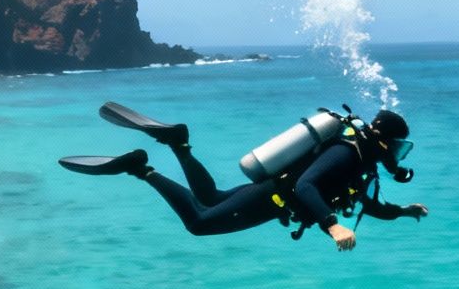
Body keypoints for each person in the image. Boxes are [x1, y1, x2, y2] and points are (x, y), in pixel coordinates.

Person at [59, 102, 427, 251]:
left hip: (270, 192)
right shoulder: (347, 153)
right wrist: (332, 227)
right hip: (271, 198)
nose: (396, 157)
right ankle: (141, 169)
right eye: (397, 148)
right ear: (383, 141)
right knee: (199, 223)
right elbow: (306, 185)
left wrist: (403, 211)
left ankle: (179, 144)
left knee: (209, 197)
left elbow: (369, 205)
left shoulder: (361, 165)